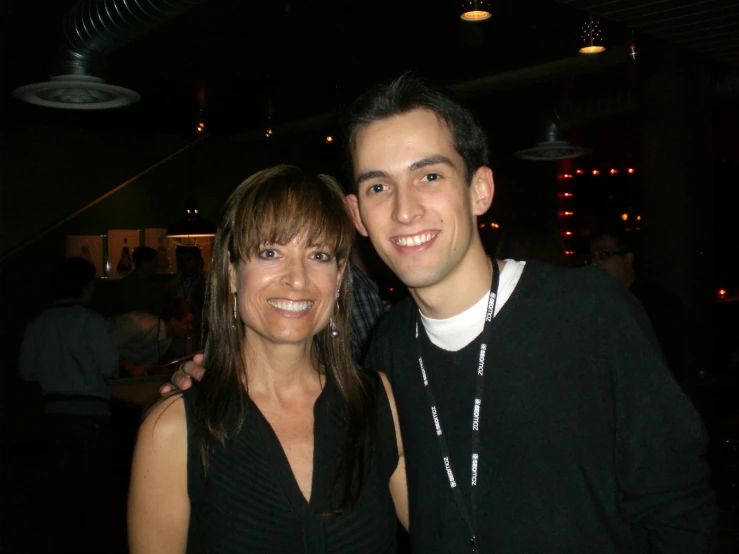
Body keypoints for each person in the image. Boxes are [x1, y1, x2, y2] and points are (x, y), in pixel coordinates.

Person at [165, 75, 716, 552]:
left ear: (480, 189)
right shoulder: (387, 352)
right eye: (379, 186)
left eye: (430, 176)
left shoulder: (588, 312)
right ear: (357, 215)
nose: (405, 210)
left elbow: (679, 509)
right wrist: (209, 382)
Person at [129, 165, 407, 553]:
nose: (297, 278)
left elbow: (458, 530)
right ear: (230, 272)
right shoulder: (173, 429)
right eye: (270, 252)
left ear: (340, 276)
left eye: (319, 254)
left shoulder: (378, 403)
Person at [19, 256, 120, 553]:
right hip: (93, 418)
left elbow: (26, 371)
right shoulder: (90, 321)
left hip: (53, 416)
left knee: (63, 496)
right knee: (94, 496)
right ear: (85, 286)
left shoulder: (38, 321)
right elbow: (110, 367)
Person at [589, 227, 686, 383]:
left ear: (628, 259)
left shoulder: (659, 304)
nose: (595, 264)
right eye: (592, 258)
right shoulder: (594, 304)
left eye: (604, 255)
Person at [109, 297, 194, 376]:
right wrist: (129, 367)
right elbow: (105, 347)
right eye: (187, 323)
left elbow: (146, 365)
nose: (191, 327)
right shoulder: (140, 325)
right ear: (173, 321)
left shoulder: (168, 337)